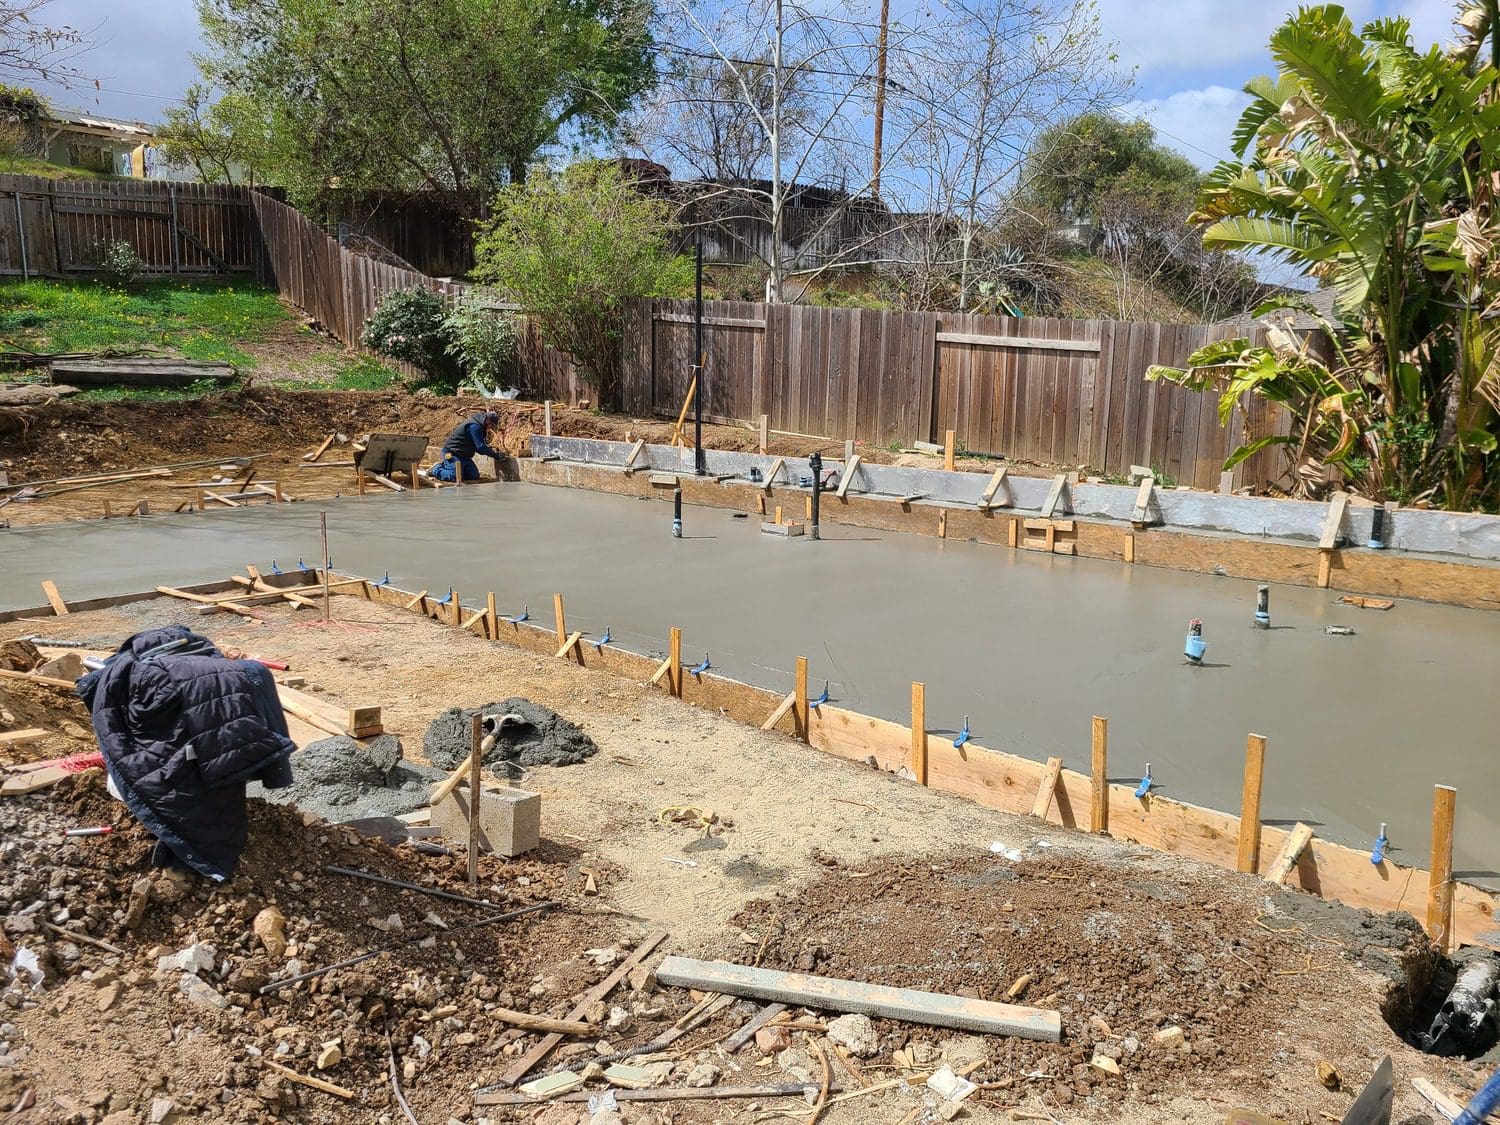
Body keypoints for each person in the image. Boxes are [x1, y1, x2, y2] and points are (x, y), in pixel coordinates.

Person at [430, 409, 501, 482]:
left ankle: (452, 468)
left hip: (464, 456)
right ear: (487, 421)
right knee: (454, 476)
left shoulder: (480, 426)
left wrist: (488, 450)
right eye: (491, 425)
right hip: (452, 453)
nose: (491, 428)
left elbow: (478, 448)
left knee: (474, 476)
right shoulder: (474, 427)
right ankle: (436, 469)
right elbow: (480, 447)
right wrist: (496, 456)